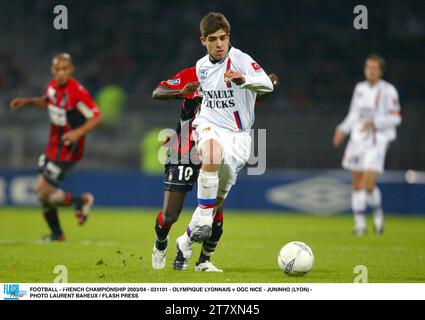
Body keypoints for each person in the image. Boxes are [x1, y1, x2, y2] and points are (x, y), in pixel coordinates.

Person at [173, 12, 274, 272]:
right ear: (203, 41)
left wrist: (245, 80)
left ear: (228, 37)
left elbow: (267, 85)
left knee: (217, 199)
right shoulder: (201, 67)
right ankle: (204, 217)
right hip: (209, 124)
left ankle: (185, 241)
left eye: (223, 38)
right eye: (213, 39)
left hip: (239, 138)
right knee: (211, 155)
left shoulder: (241, 60)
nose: (219, 44)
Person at [151, 66, 278, 271]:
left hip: (218, 146)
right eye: (213, 40)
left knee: (214, 210)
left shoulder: (235, 75)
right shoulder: (191, 74)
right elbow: (157, 92)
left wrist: (266, 85)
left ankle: (203, 261)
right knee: (170, 216)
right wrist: (181, 92)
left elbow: (254, 100)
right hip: (185, 148)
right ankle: (160, 244)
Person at [10, 53, 102, 241]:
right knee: (42, 194)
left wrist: (77, 133)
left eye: (65, 69)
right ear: (52, 71)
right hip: (52, 145)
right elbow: (47, 101)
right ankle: (58, 233)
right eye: (58, 69)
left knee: (41, 192)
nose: (61, 73)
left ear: (71, 70)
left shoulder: (77, 92)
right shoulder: (52, 87)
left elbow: (96, 116)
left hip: (68, 148)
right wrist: (28, 101)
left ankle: (81, 202)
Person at [333, 54, 401, 235]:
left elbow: (396, 117)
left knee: (368, 183)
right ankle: (360, 225)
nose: (370, 71)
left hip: (377, 141)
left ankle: (378, 218)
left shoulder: (388, 91)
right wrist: (342, 130)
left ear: (380, 71)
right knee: (357, 184)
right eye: (368, 67)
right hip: (358, 140)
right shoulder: (360, 89)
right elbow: (354, 114)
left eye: (374, 68)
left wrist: (375, 121)